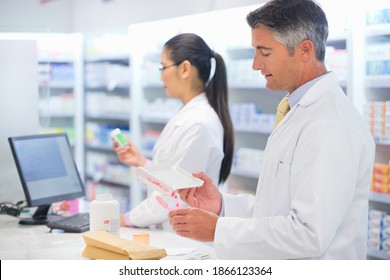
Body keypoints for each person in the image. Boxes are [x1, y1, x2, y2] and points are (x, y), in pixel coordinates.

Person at [168, 0, 376, 259]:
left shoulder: (330, 124)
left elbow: (308, 234)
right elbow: (277, 209)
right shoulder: (297, 109)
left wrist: (219, 230)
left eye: (264, 53)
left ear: (304, 50)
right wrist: (222, 206)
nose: (255, 64)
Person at [113, 33, 234, 229]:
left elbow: (173, 193)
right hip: (173, 232)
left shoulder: (199, 123)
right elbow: (173, 175)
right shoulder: (189, 114)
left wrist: (126, 220)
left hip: (185, 239)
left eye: (163, 67)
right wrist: (141, 162)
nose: (161, 76)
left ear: (185, 69)